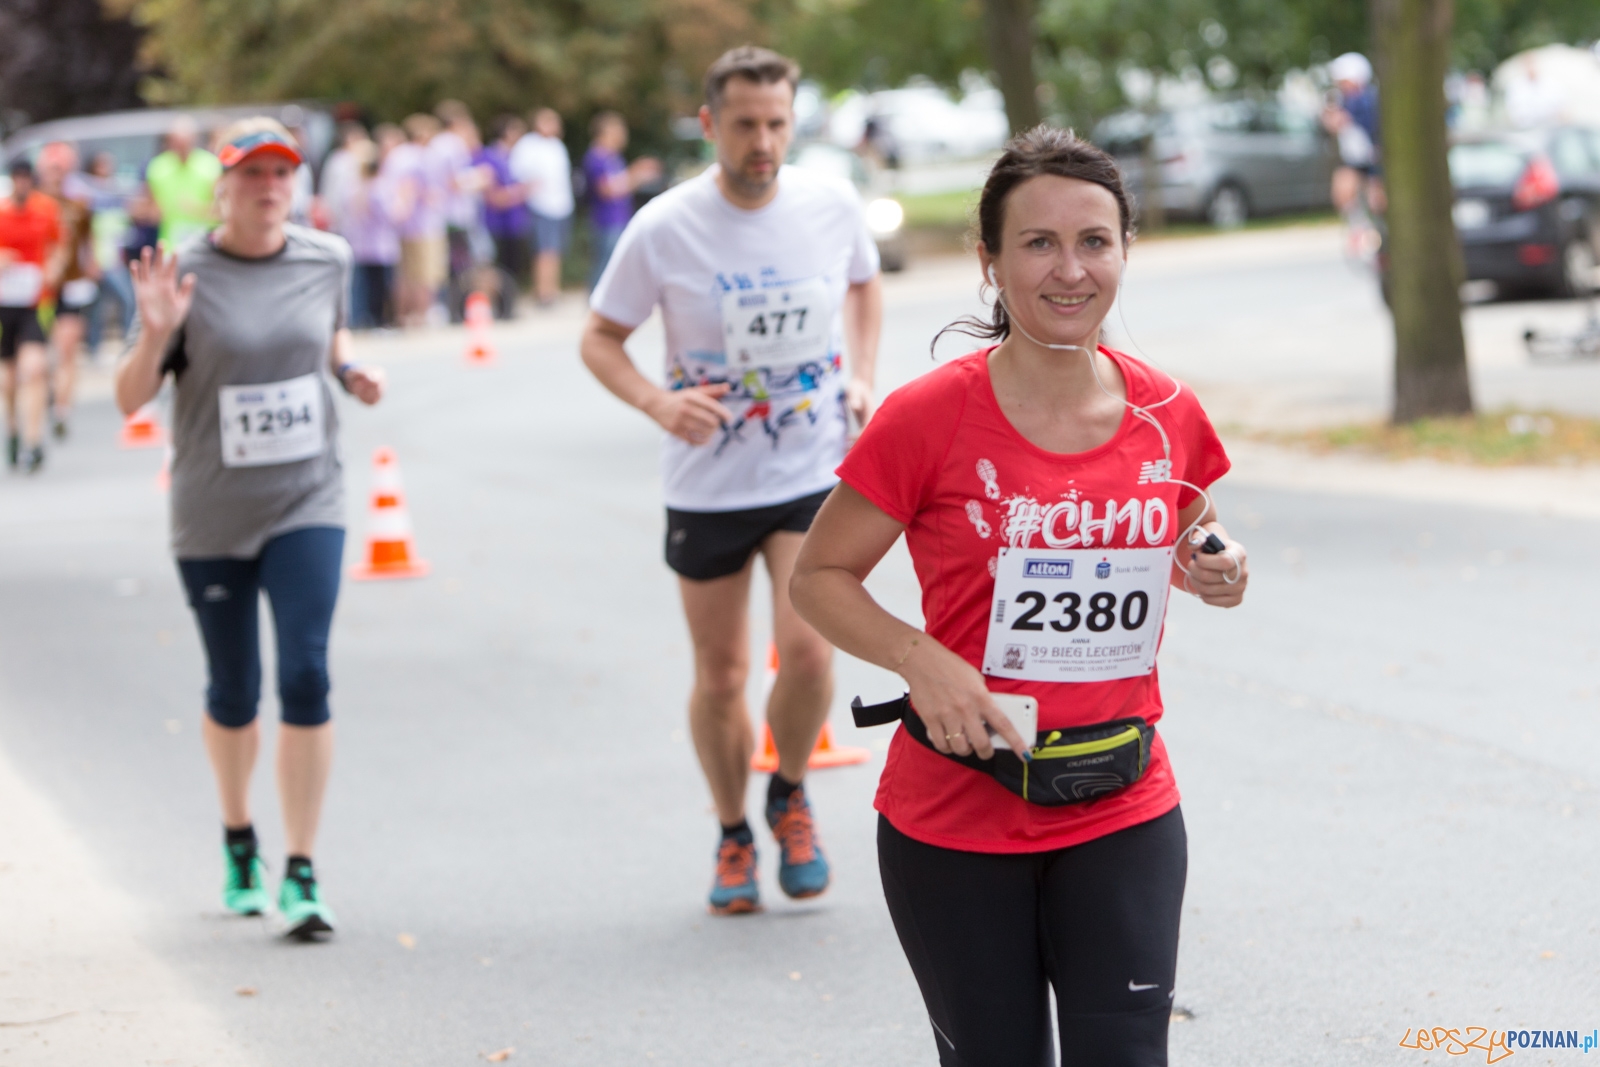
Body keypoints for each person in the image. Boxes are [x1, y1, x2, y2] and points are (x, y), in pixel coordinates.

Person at [789, 126, 1250, 1066]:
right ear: (989, 260)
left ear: (1125, 250)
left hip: (1122, 804)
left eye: (1094, 241)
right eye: (1038, 242)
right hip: (958, 814)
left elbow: (1189, 536)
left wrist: (1219, 568)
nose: (1069, 269)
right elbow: (818, 576)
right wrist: (924, 660)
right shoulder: (927, 416)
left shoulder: (1169, 411)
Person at [580, 45, 883, 916]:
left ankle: (787, 791)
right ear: (710, 124)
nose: (764, 142)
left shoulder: (829, 203)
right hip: (708, 481)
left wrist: (862, 373)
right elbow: (599, 337)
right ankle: (731, 831)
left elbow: (864, 285)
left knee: (812, 648)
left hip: (808, 467)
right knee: (721, 674)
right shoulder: (664, 227)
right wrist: (655, 402)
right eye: (746, 124)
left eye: (778, 123)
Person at [113, 117, 386, 940]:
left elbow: (329, 334)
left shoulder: (325, 258)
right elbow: (130, 398)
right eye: (252, 174)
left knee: (304, 672)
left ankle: (302, 867)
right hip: (211, 509)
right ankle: (240, 838)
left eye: (281, 174)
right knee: (233, 689)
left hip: (308, 498)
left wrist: (349, 368)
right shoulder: (181, 271)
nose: (269, 188)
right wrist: (157, 329)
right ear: (221, 186)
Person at [1, 158, 60, 473]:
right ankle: (12, 428)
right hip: (5, 302)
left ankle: (34, 440)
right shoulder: (1, 212)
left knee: (33, 369)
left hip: (36, 301)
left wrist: (54, 268)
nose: (22, 184)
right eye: (17, 179)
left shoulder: (46, 209)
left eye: (27, 179)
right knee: (8, 377)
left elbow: (59, 247)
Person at [37, 142, 98, 440]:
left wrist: (93, 265)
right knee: (43, 350)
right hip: (41, 288)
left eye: (61, 169)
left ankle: (62, 409)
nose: (56, 175)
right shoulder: (34, 205)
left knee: (67, 347)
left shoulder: (79, 205)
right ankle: (48, 391)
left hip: (73, 283)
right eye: (52, 168)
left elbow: (89, 242)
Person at [582, 111, 660, 290]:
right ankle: (595, 305)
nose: (623, 135)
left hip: (619, 218)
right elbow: (607, 189)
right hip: (605, 220)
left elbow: (621, 185)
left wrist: (635, 175)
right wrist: (636, 175)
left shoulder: (613, 157)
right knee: (604, 265)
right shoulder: (596, 157)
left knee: (613, 265)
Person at [511, 108, 573, 307]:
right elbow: (518, 172)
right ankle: (543, 292)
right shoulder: (528, 145)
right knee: (544, 251)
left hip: (561, 205)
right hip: (541, 205)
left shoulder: (557, 146)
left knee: (555, 251)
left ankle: (552, 289)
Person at [390, 114, 448, 326]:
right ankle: (422, 315)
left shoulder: (399, 155)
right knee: (425, 275)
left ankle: (403, 315)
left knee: (405, 273)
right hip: (424, 224)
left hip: (405, 226)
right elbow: (410, 185)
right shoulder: (418, 157)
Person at [81, 151, 139, 347]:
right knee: (125, 299)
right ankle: (120, 343)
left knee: (99, 305)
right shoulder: (87, 196)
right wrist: (91, 261)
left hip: (114, 259)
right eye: (102, 165)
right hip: (101, 261)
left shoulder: (117, 193)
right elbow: (87, 234)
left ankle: (97, 346)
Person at [1321, 53, 1384, 226]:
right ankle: (1360, 227)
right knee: (1343, 192)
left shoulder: (1364, 99)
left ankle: (1377, 233)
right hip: (1355, 158)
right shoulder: (1347, 99)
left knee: (1376, 200)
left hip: (1371, 157)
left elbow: (1338, 122)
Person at [144, 116, 224, 248]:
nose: (180, 146)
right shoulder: (158, 167)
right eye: (176, 141)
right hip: (170, 247)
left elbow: (222, 211)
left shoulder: (211, 165)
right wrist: (150, 212)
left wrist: (196, 209)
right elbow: (150, 208)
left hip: (204, 247)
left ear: (193, 139)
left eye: (184, 142)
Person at [477, 115, 533, 292]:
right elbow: (493, 196)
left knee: (513, 265)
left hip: (514, 222)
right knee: (495, 266)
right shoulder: (489, 156)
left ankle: (509, 302)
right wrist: (519, 192)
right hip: (495, 223)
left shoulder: (514, 157)